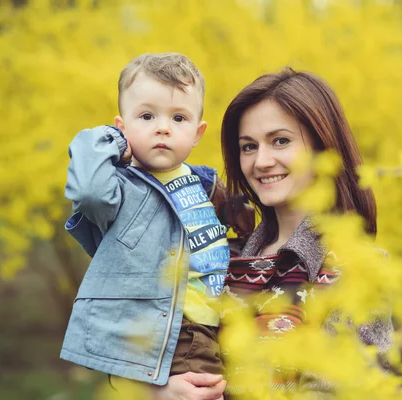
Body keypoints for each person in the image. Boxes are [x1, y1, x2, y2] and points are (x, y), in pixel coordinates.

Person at [157, 68, 393, 399]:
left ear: (323, 146)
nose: (262, 161)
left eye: (280, 141)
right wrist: (157, 390)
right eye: (248, 146)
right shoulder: (219, 257)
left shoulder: (355, 267)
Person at [59, 53, 252, 391]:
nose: (163, 127)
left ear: (197, 133)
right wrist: (113, 143)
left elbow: (246, 229)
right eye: (146, 116)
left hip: (213, 330)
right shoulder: (119, 189)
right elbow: (88, 191)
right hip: (167, 333)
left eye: (179, 118)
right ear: (123, 126)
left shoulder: (207, 185)